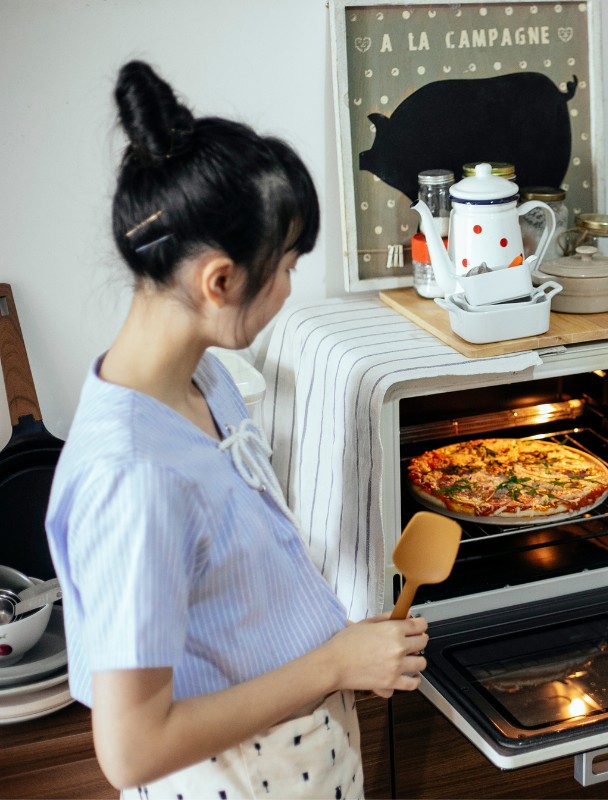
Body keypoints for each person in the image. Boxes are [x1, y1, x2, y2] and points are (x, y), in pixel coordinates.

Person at [45, 61, 428, 799]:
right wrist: (334, 665)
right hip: (236, 779)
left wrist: (343, 645)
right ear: (218, 282)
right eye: (284, 266)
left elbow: (235, 592)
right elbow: (131, 749)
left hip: (302, 755)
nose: (289, 287)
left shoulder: (205, 380)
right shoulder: (134, 477)